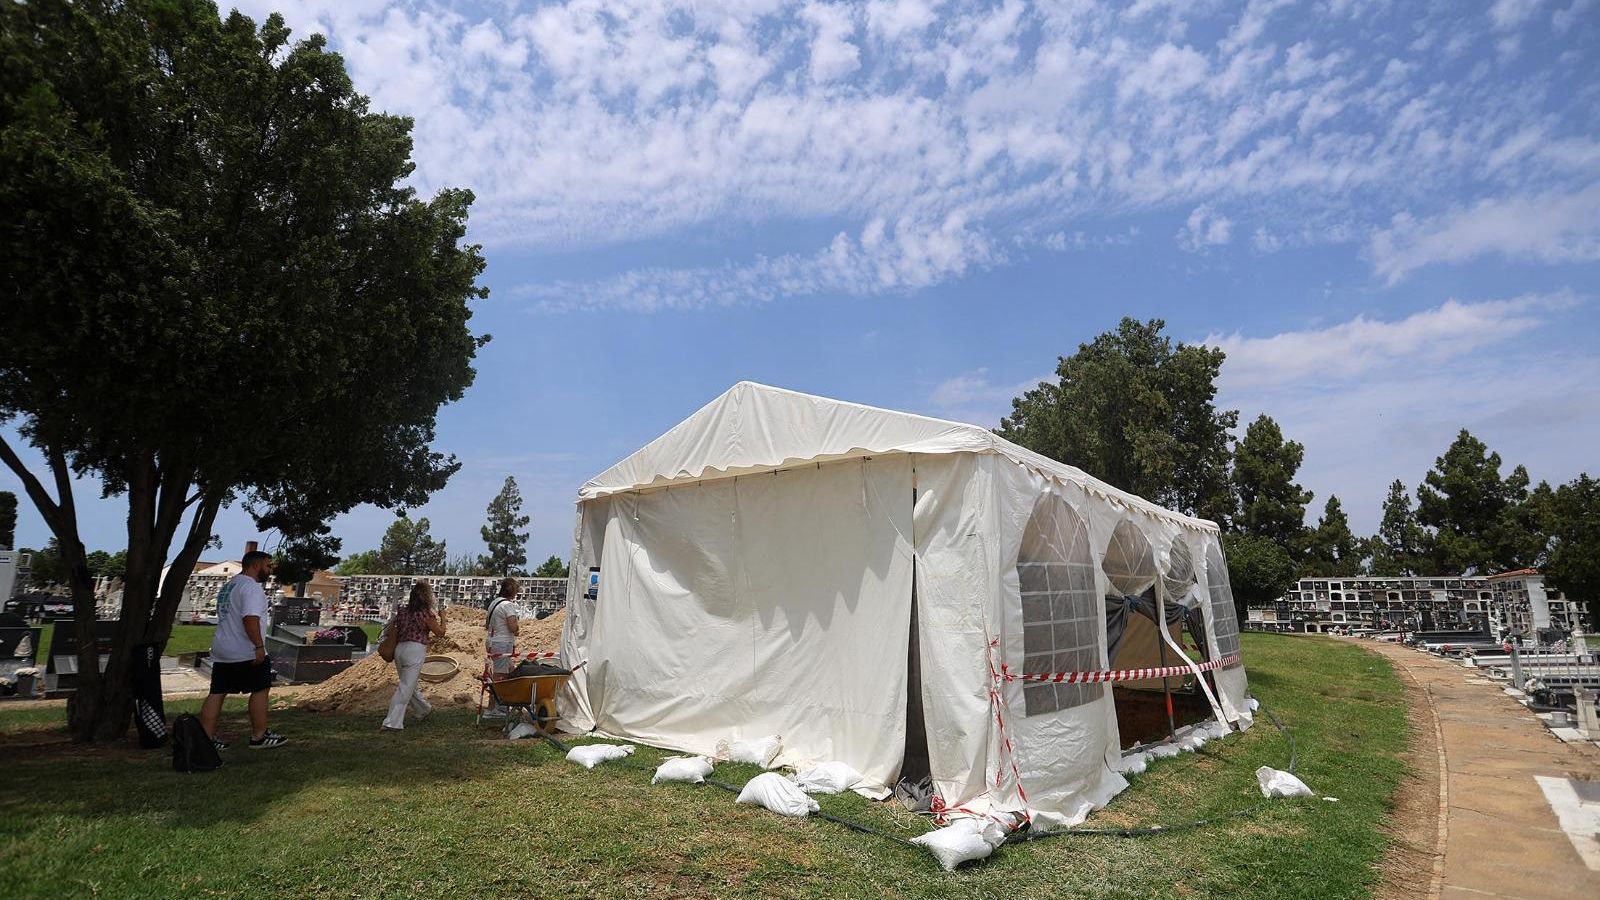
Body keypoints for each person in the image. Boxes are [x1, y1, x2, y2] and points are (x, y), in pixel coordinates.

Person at [199, 550, 286, 749]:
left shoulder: (230, 585)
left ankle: (206, 737)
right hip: (245, 648)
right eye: (267, 565)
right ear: (256, 565)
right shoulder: (252, 588)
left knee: (217, 691)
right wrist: (258, 646)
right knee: (260, 689)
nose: (269, 569)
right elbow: (250, 618)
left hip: (224, 647)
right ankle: (259, 735)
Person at [384, 581, 447, 731]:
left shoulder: (403, 611)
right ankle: (391, 723)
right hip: (415, 649)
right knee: (405, 687)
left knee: (409, 685)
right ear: (426, 597)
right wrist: (443, 617)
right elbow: (440, 633)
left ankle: (423, 709)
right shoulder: (425, 614)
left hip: (400, 649)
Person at [483, 578, 522, 717]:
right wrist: (517, 628)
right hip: (502, 643)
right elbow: (513, 627)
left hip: (492, 641)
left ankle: (502, 704)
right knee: (500, 676)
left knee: (506, 671)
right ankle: (493, 707)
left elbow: (487, 625)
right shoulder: (507, 605)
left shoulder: (494, 603)